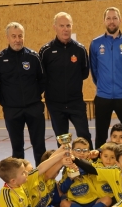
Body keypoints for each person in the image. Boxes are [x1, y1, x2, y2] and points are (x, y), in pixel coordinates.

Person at [0, 22, 46, 165]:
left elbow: (42, 80)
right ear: (7, 37)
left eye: (20, 36)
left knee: (40, 147)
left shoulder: (33, 57)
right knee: (17, 149)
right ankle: (20, 181)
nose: (17, 39)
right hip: (12, 110)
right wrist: (6, 102)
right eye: (14, 36)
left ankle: (42, 180)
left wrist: (34, 96)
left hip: (34, 108)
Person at [39, 12, 92, 148]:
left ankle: (88, 168)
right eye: (61, 25)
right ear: (55, 27)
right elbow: (41, 76)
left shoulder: (80, 49)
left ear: (72, 27)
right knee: (62, 141)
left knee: (84, 136)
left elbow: (84, 73)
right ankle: (67, 168)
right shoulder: (46, 51)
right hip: (55, 105)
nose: (65, 29)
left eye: (68, 25)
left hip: (76, 102)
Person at [89, 7, 122, 150]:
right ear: (104, 21)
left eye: (115, 18)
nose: (112, 21)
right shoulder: (96, 43)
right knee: (101, 134)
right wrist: (103, 86)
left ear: (120, 20)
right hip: (103, 96)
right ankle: (99, 165)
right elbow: (94, 69)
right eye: (108, 18)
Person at [59, 138, 112, 207]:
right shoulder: (67, 167)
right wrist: (70, 179)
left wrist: (97, 153)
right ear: (71, 151)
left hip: (94, 201)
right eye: (78, 150)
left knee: (107, 199)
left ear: (89, 152)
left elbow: (108, 148)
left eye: (85, 150)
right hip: (77, 202)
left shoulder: (91, 164)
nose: (82, 153)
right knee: (63, 204)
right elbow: (63, 189)